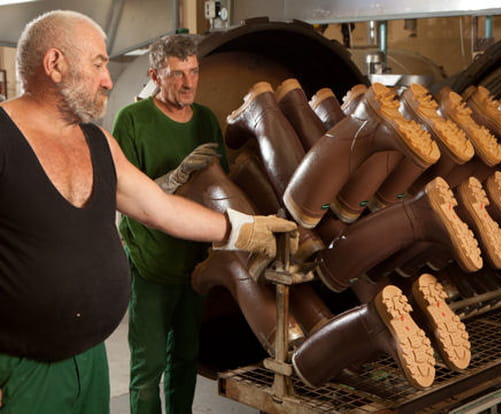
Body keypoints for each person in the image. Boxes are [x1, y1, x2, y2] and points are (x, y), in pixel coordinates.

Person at [0, 10, 296, 413]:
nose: (108, 79)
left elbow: (160, 210)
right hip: (20, 370)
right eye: (99, 64)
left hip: (90, 357)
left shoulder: (97, 141)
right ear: (55, 64)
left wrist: (245, 229)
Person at [111, 34, 226, 413]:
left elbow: (221, 189)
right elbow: (124, 194)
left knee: (187, 358)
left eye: (193, 71)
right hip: (151, 264)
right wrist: (175, 177)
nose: (188, 82)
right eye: (177, 74)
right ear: (155, 75)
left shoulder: (206, 119)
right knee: (149, 365)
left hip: (194, 264)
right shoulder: (133, 120)